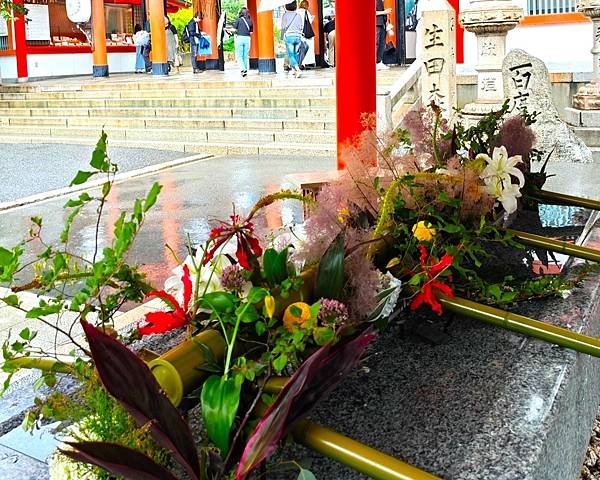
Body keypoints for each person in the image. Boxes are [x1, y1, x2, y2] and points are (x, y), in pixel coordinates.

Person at [281, 1, 304, 78]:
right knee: (295, 54)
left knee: (291, 55)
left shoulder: (285, 15)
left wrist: (281, 37)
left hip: (289, 37)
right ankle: (295, 70)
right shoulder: (298, 15)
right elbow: (301, 27)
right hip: (298, 37)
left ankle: (297, 69)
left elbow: (283, 27)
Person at [231, 7, 253, 77]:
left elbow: (234, 30)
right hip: (247, 39)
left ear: (241, 13)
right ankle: (245, 71)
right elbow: (251, 32)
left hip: (240, 38)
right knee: (245, 55)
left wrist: (228, 30)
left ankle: (243, 69)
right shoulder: (250, 21)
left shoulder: (238, 20)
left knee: (239, 55)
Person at [298, 0, 315, 67]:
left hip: (299, 32)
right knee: (308, 47)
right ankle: (308, 63)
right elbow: (309, 22)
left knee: (300, 49)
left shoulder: (297, 12)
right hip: (306, 32)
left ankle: (301, 63)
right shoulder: (306, 12)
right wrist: (312, 18)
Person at [376, 0, 392, 70]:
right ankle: (375, 62)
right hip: (376, 23)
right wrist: (384, 12)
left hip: (382, 23)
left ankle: (379, 62)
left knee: (381, 43)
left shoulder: (380, 2)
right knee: (376, 43)